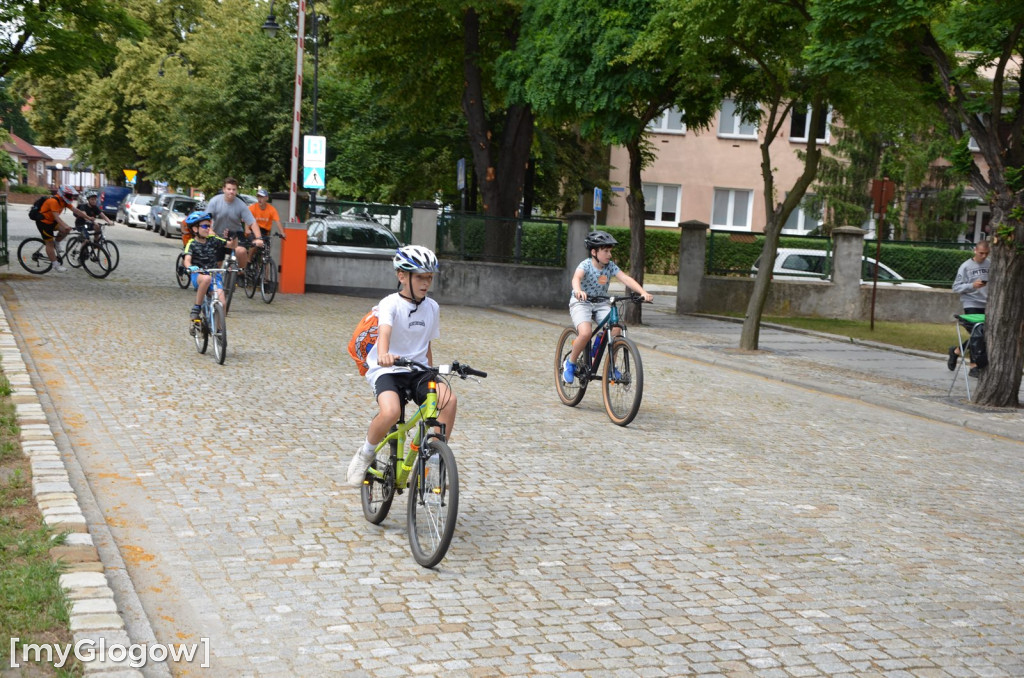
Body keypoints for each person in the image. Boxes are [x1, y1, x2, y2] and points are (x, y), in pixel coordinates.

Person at [346, 245, 453, 487]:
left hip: (417, 371)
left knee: (448, 400)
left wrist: (432, 373)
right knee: (391, 412)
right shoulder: (390, 304)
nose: (426, 283)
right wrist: (383, 354)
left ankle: (434, 463)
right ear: (402, 276)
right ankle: (365, 454)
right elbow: (384, 332)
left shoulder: (432, 307)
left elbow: (425, 345)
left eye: (429, 277)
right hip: (388, 370)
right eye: (420, 277)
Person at [562, 230, 653, 384]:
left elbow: (626, 278)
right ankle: (570, 363)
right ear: (594, 252)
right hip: (582, 302)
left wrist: (642, 292)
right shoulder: (585, 265)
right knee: (585, 333)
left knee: (616, 328)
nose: (609, 255)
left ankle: (611, 367)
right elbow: (576, 278)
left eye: (610, 251)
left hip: (601, 302)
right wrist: (578, 291)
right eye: (605, 251)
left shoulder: (610, 266)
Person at [948, 240, 990, 376]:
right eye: (981, 253)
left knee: (981, 335)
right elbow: (956, 287)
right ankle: (973, 366)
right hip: (971, 303)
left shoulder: (990, 265)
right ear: (975, 251)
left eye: (986, 253)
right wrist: (972, 286)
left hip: (986, 304)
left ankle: (956, 351)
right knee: (978, 333)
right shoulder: (966, 266)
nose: (983, 256)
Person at [182, 211, 229, 330]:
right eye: (205, 226)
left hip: (214, 275)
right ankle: (197, 307)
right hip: (199, 275)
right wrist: (190, 267)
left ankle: (218, 330)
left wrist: (233, 238)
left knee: (222, 303)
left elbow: (231, 245)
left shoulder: (213, 240)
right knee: (206, 278)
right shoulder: (191, 243)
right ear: (195, 229)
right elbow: (187, 259)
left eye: (209, 226)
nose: (208, 228)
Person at [204, 177, 262, 270]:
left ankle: (241, 272)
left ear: (236, 191)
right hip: (218, 234)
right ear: (224, 189)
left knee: (241, 251)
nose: (231, 192)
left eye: (234, 189)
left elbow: (252, 222)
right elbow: (205, 219)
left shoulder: (241, 205)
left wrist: (259, 238)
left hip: (236, 234)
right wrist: (209, 230)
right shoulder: (214, 201)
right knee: (217, 264)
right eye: (229, 189)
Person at [36, 185, 90, 273]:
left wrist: (88, 217)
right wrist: (65, 225)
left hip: (52, 221)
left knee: (66, 230)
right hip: (43, 223)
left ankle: (57, 243)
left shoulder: (64, 201)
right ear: (63, 194)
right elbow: (57, 217)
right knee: (49, 243)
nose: (71, 197)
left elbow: (76, 211)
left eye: (72, 195)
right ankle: (55, 265)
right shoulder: (53, 201)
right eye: (69, 195)